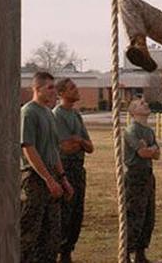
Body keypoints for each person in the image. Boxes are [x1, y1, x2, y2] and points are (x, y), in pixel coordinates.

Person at [20, 72, 74, 263]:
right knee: (30, 233)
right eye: (49, 88)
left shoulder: (49, 114)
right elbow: (28, 148)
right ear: (37, 89)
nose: (54, 92)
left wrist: (63, 178)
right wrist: (48, 179)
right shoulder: (29, 113)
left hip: (51, 174)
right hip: (35, 177)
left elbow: (53, 149)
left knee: (51, 233)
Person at [53, 78, 94, 263]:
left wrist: (79, 141)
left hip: (78, 168)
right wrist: (79, 143)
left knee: (77, 212)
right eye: (72, 88)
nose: (76, 90)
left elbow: (90, 147)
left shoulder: (76, 115)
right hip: (65, 167)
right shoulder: (58, 115)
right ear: (61, 93)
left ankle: (68, 252)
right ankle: (60, 251)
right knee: (65, 212)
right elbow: (66, 148)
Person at [124, 98, 160, 263]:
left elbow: (157, 154)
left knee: (148, 216)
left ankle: (140, 253)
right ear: (133, 112)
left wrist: (149, 149)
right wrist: (150, 150)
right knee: (134, 216)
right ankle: (126, 253)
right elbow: (142, 153)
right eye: (141, 104)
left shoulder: (149, 131)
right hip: (135, 176)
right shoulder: (132, 130)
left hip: (148, 175)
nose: (146, 104)